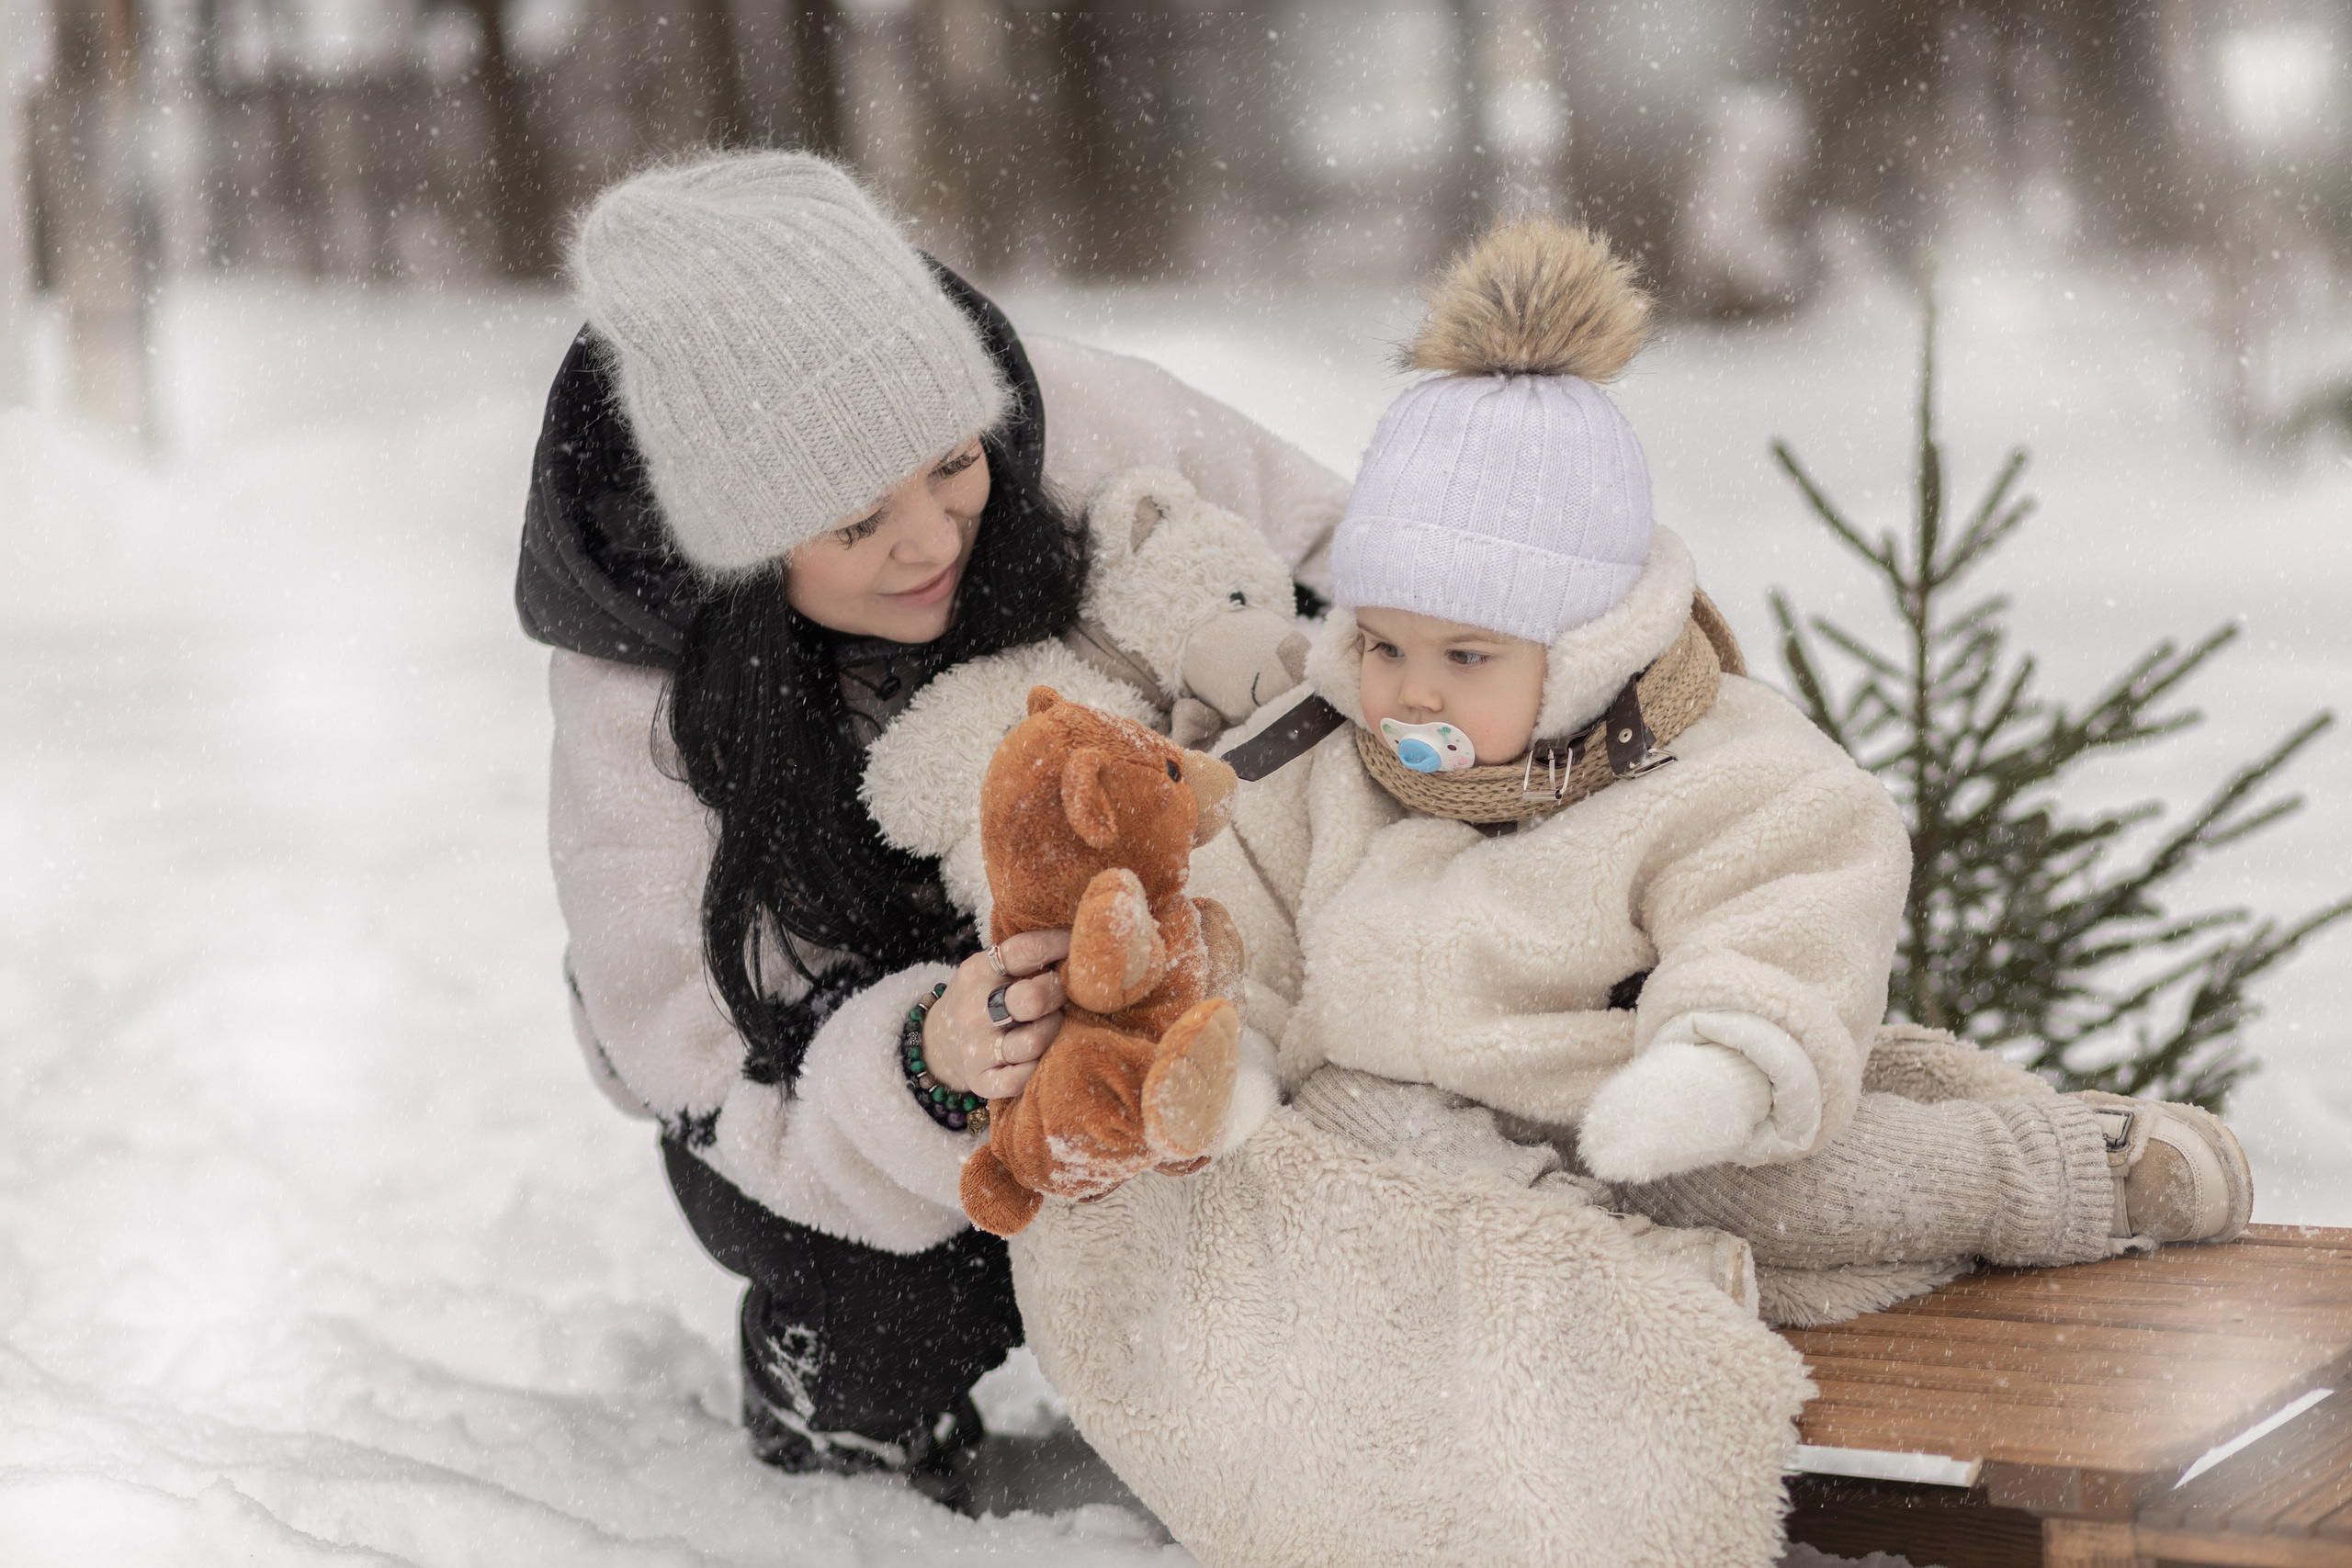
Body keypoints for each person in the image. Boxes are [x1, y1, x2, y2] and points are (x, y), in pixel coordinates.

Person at [514, 149, 1347, 1503]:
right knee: (923, 1290)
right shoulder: (645, 703)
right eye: (856, 519)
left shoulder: (1062, 415)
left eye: (951, 465)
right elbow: (705, 1054)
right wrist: (934, 1064)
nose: (931, 538)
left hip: (1136, 939)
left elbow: (1368, 565)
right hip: (812, 1060)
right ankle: (830, 1386)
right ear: (741, 551)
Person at [1207, 215, 2254, 1286]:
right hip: (1415, 1129)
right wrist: (1225, 1045)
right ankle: (1631, 1282)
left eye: (1465, 656)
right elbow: (1232, 903)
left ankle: (2070, 1170)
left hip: (1640, 1105)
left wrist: (1715, 1064)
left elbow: (1786, 891)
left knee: (1806, 1194)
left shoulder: (1702, 766)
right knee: (1338, 1127)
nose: (1407, 691)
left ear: (1579, 648)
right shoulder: (1318, 767)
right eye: (1381, 644)